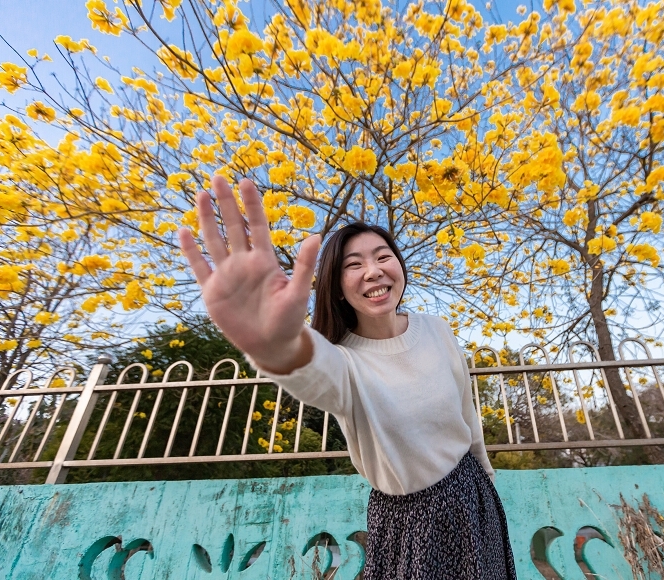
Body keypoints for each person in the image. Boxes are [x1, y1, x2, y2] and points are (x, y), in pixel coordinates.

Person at [178, 176, 517, 579]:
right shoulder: (344, 362)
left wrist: (486, 479)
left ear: (399, 266)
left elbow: (467, 412)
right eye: (353, 265)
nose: (373, 272)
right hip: (408, 521)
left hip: (472, 492)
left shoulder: (436, 328)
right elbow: (312, 371)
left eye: (382, 256)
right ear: (337, 288)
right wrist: (276, 345)